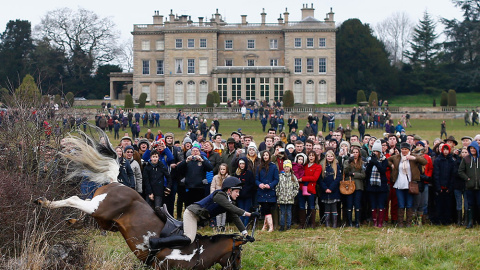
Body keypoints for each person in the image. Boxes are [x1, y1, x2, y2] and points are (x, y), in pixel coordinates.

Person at [149, 177, 259, 249]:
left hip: (196, 218)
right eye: (237, 191)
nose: (238, 194)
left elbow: (236, 217)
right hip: (191, 214)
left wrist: (246, 234)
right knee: (189, 239)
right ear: (229, 190)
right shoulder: (220, 195)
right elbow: (232, 208)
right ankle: (157, 242)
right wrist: (249, 214)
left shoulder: (228, 200)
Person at [388, 143, 427, 227]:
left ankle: (408, 222)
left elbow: (424, 161)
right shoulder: (397, 157)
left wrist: (414, 158)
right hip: (399, 183)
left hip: (410, 184)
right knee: (401, 204)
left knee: (409, 204)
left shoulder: (413, 157)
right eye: (403, 149)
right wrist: (391, 165)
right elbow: (388, 159)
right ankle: (400, 222)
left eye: (406, 149)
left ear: (409, 150)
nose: (404, 151)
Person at [365, 140, 389, 228]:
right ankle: (375, 222)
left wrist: (376, 162)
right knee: (373, 204)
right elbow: (367, 172)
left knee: (381, 204)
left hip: (381, 186)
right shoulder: (369, 160)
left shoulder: (384, 160)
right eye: (374, 151)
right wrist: (371, 162)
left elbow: (382, 170)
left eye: (377, 151)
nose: (375, 153)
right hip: (371, 186)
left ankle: (380, 222)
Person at [256, 150, 279, 232]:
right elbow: (256, 179)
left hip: (270, 191)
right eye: (264, 155)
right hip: (261, 191)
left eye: (267, 155)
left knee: (267, 208)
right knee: (265, 208)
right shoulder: (259, 167)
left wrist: (270, 185)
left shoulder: (273, 167)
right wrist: (259, 184)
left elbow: (276, 179)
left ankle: (270, 227)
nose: (265, 156)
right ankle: (266, 226)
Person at [458, 141, 480, 228]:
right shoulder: (466, 159)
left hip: (479, 186)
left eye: (474, 148)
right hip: (470, 186)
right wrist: (467, 178)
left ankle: (477, 220)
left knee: (479, 204)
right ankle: (470, 222)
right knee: (470, 204)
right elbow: (460, 171)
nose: (473, 150)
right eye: (471, 148)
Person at [433, 144, 456, 225]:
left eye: (447, 149)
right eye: (444, 149)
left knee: (448, 205)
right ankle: (439, 220)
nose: (445, 151)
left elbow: (453, 175)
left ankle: (447, 220)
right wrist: (438, 187)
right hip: (440, 187)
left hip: (448, 187)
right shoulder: (438, 160)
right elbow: (436, 174)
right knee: (439, 204)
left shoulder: (452, 161)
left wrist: (450, 187)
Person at [343, 146, 365, 227]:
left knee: (357, 204)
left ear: (359, 153)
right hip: (349, 185)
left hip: (358, 186)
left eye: (356, 152)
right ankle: (349, 222)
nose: (355, 154)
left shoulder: (362, 162)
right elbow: (345, 171)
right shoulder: (346, 161)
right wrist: (349, 162)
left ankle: (357, 221)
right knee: (349, 204)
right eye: (353, 152)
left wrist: (354, 174)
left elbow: (363, 175)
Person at [319, 150, 342, 228]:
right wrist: (325, 188)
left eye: (331, 156)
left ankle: (334, 223)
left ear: (334, 157)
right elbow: (320, 179)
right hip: (325, 191)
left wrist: (331, 188)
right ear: (326, 157)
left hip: (334, 190)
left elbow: (338, 178)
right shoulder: (322, 166)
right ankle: (327, 223)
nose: (329, 158)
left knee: (334, 207)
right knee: (326, 207)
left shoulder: (337, 166)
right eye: (328, 156)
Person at [277, 160, 299, 231]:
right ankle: (282, 225)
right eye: (285, 167)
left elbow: (296, 187)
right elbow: (277, 186)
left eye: (288, 167)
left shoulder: (293, 177)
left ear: (290, 168)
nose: (286, 168)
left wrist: (293, 194)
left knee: (289, 212)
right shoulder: (280, 176)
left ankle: (288, 225)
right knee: (282, 212)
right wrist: (278, 193)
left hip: (290, 198)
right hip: (282, 197)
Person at [210, 163, 230, 232]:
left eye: (224, 169)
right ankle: (218, 226)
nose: (222, 171)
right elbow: (212, 187)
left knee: (223, 212)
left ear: (226, 170)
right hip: (217, 196)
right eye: (221, 169)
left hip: (225, 197)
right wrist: (213, 195)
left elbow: (230, 188)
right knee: (218, 212)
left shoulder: (228, 178)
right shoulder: (215, 177)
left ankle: (223, 225)